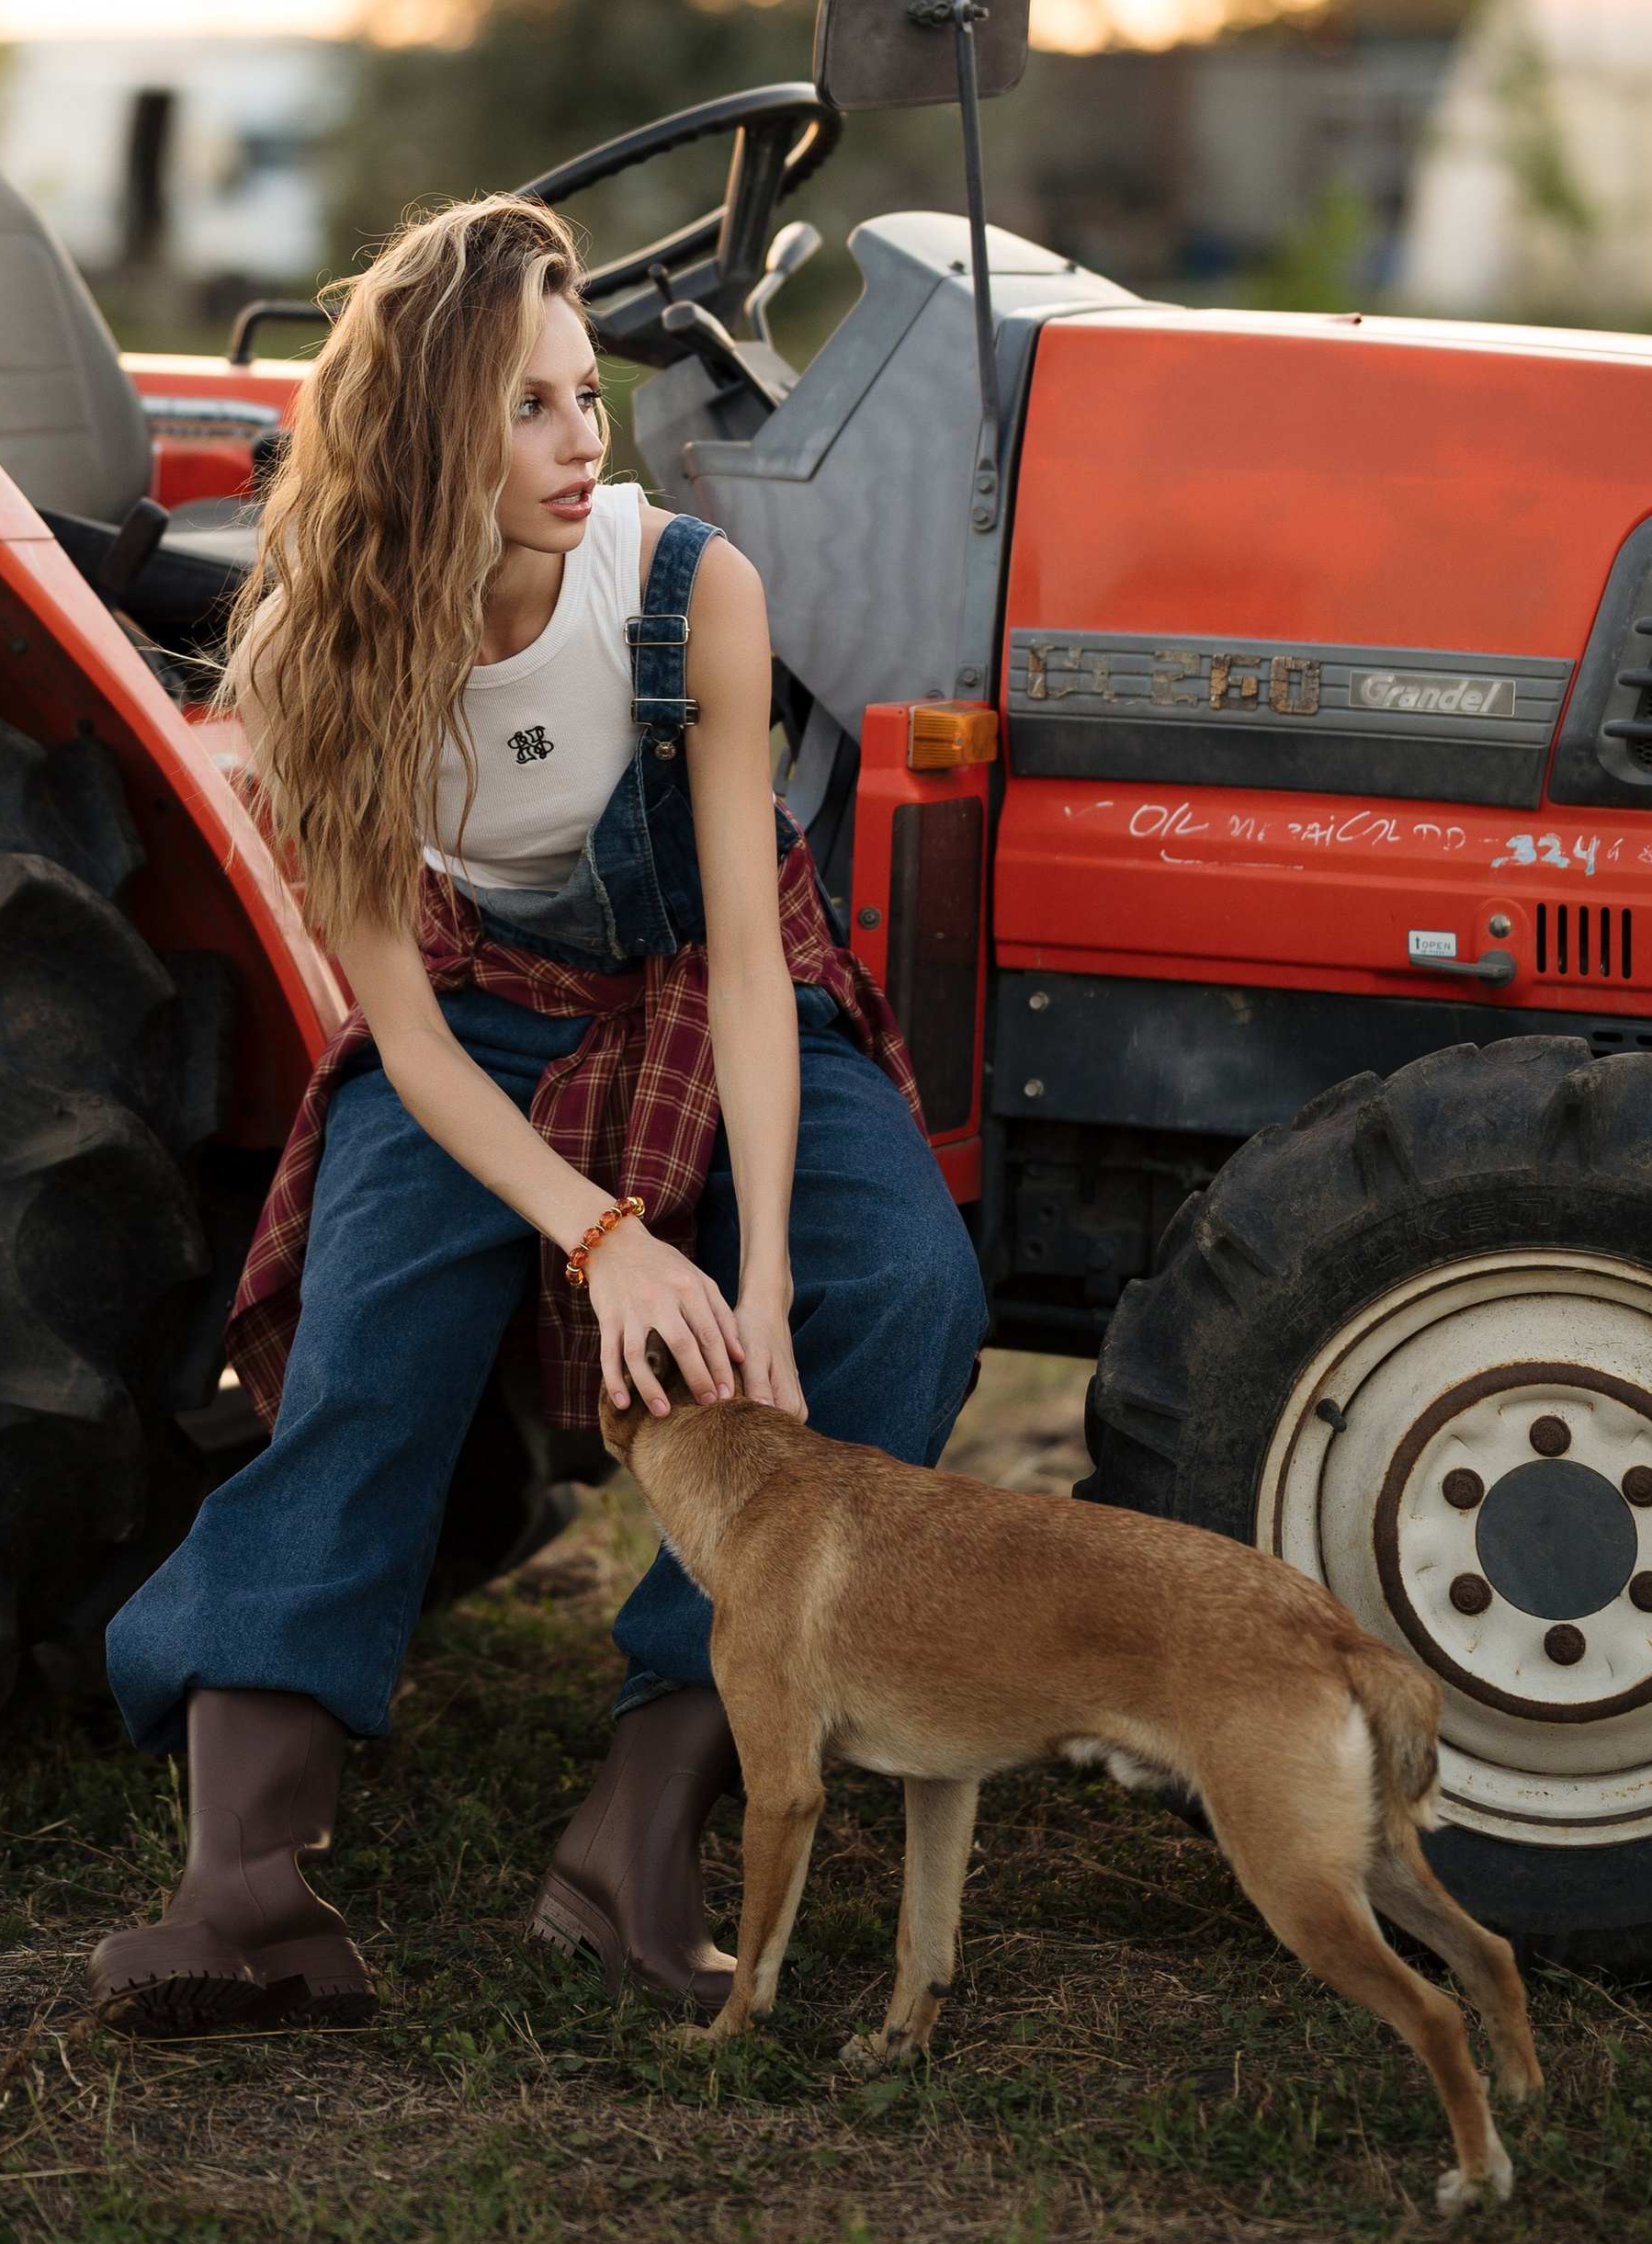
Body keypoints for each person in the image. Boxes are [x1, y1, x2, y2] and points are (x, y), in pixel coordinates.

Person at [88, 194, 988, 2034]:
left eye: (589, 396)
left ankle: (641, 1827)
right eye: (529, 409)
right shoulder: (304, 667)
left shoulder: (686, 590)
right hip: (483, 1020)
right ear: (425, 432)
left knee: (902, 1287)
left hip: (715, 996)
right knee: (363, 1346)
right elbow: (401, 1030)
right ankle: (242, 1886)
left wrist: (739, 1279)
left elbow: (752, 963)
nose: (586, 442)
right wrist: (597, 1233)